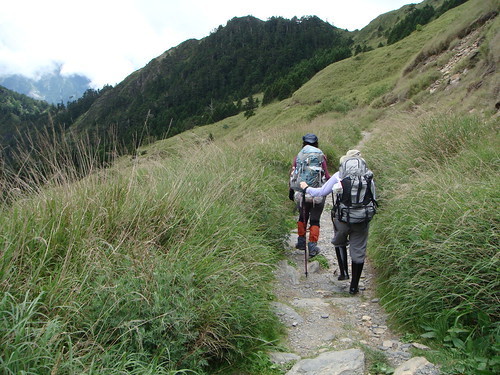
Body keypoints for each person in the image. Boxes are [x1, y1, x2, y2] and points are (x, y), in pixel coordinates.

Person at [300, 149, 376, 295]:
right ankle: (354, 287)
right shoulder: (368, 177)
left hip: (343, 218)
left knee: (339, 241)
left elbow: (321, 192)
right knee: (358, 251)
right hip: (362, 219)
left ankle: (343, 273)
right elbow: (374, 198)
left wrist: (306, 187)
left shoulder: (339, 175)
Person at [289, 133, 331, 258]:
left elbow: (293, 175)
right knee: (315, 219)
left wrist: (291, 191)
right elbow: (327, 176)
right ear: (316, 144)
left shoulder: (298, 157)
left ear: (303, 144)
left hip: (302, 193)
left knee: (302, 217)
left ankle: (301, 242)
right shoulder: (320, 156)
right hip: (317, 194)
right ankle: (312, 247)